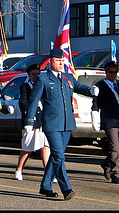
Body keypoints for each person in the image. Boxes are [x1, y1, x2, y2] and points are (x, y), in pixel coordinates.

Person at [24, 48, 99, 200]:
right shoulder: (42, 79)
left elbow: (78, 87)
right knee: (58, 156)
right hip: (51, 123)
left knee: (56, 156)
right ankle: (67, 189)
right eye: (58, 61)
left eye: (62, 61)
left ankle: (45, 186)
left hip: (67, 123)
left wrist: (91, 90)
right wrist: (29, 122)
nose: (61, 63)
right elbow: (33, 101)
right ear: (51, 61)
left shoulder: (68, 77)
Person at [91, 61, 119, 184]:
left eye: (115, 72)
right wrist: (95, 117)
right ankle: (115, 174)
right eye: (111, 72)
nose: (113, 74)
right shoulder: (101, 85)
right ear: (106, 72)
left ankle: (106, 164)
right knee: (114, 148)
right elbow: (96, 103)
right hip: (109, 120)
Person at [15, 64, 51, 181]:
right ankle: (19, 169)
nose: (35, 76)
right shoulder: (25, 87)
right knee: (27, 148)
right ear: (29, 75)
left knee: (45, 146)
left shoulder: (43, 86)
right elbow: (23, 103)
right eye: (33, 74)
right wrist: (30, 112)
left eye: (37, 74)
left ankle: (48, 173)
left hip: (43, 121)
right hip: (31, 121)